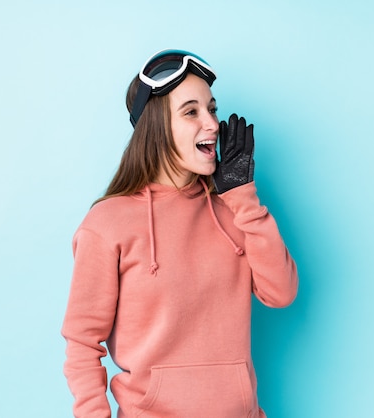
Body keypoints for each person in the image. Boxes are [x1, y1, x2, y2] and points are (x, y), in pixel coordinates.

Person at [61, 49, 299, 418]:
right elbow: (81, 343)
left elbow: (281, 292)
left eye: (212, 109)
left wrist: (243, 197)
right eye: (191, 111)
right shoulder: (107, 224)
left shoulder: (233, 210)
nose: (212, 123)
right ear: (157, 128)